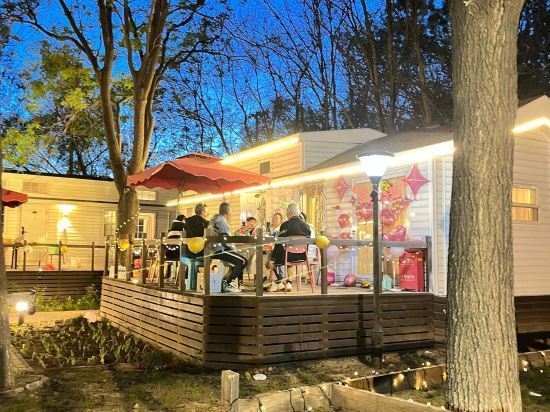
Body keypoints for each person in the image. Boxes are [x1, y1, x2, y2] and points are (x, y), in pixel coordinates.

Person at [267, 204, 311, 291]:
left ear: (289, 212)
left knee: (274, 258)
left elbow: (279, 243)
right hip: (303, 256)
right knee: (281, 256)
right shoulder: (306, 226)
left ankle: (281, 282)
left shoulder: (285, 225)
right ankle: (285, 282)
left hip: (289, 256)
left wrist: (272, 259)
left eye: (287, 212)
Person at [210, 203, 248, 292]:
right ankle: (228, 284)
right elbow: (227, 241)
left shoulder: (214, 220)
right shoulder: (223, 222)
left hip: (212, 249)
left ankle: (230, 283)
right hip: (220, 250)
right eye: (231, 211)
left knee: (238, 259)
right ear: (228, 212)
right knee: (243, 261)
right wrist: (235, 250)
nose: (231, 214)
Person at [165, 215, 186, 280]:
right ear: (182, 220)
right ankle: (183, 276)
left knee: (172, 262)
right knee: (187, 259)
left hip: (169, 252)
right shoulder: (182, 227)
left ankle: (169, 276)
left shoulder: (171, 228)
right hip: (178, 252)